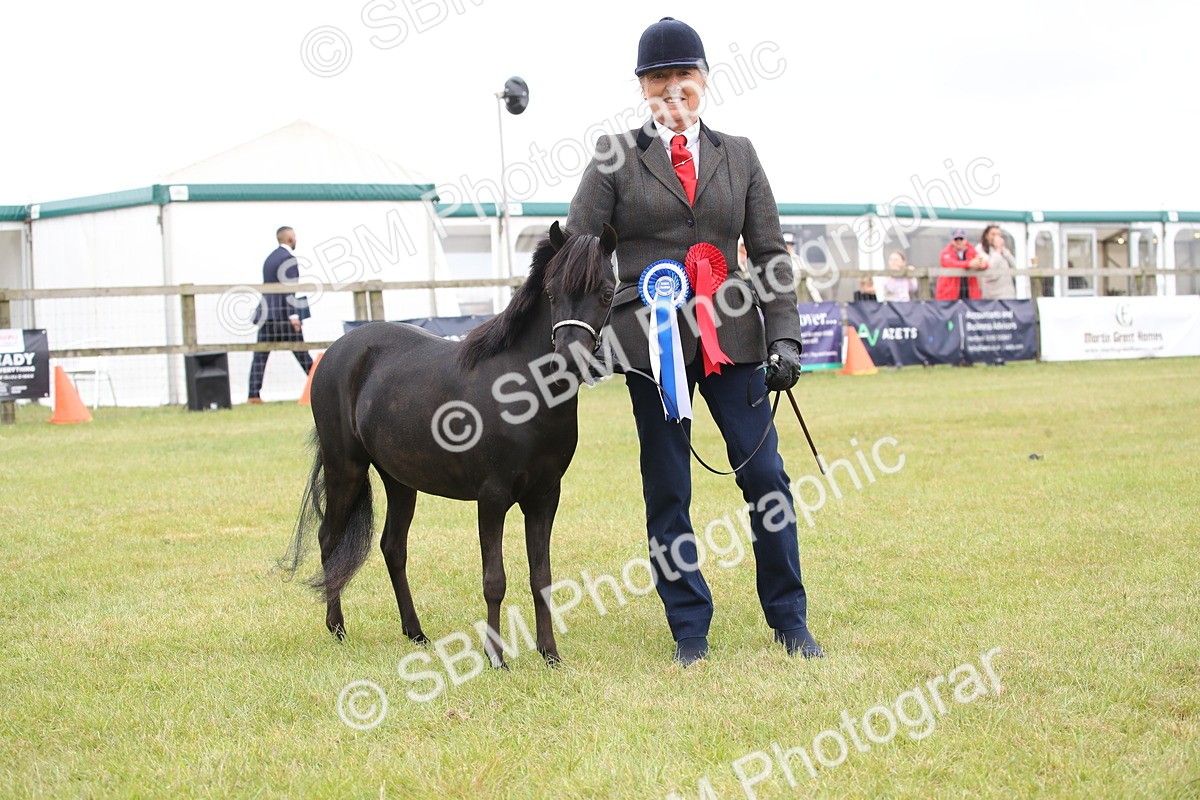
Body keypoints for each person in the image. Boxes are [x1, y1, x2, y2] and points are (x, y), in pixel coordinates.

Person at [566, 17, 821, 665]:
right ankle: (689, 629)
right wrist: (578, 331)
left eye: (684, 77)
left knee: (766, 478)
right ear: (642, 88)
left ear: (703, 81)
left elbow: (768, 253)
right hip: (651, 349)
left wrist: (784, 336)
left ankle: (789, 618)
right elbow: (579, 250)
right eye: (658, 79)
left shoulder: (741, 154)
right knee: (669, 487)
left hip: (734, 341)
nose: (672, 90)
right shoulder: (614, 157)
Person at [248, 226, 313, 403]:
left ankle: (253, 394)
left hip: (266, 314)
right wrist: (293, 316)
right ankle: (318, 386)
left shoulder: (270, 258)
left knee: (260, 355)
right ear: (290, 238)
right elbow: (289, 290)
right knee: (302, 353)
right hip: (283, 315)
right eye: (294, 236)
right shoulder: (288, 259)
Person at [936, 227, 986, 300]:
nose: (959, 241)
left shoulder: (971, 250)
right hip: (950, 296)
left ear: (965, 240)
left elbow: (983, 262)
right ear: (952, 241)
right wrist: (969, 264)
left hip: (969, 294)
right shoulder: (945, 252)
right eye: (956, 239)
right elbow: (950, 263)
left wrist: (981, 264)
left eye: (961, 239)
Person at [978, 224, 1017, 299]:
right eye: (993, 234)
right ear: (986, 236)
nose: (996, 237)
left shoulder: (1004, 251)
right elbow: (989, 268)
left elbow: (1015, 266)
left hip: (1008, 294)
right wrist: (997, 251)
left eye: (998, 234)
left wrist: (1005, 251)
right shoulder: (980, 249)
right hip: (992, 297)